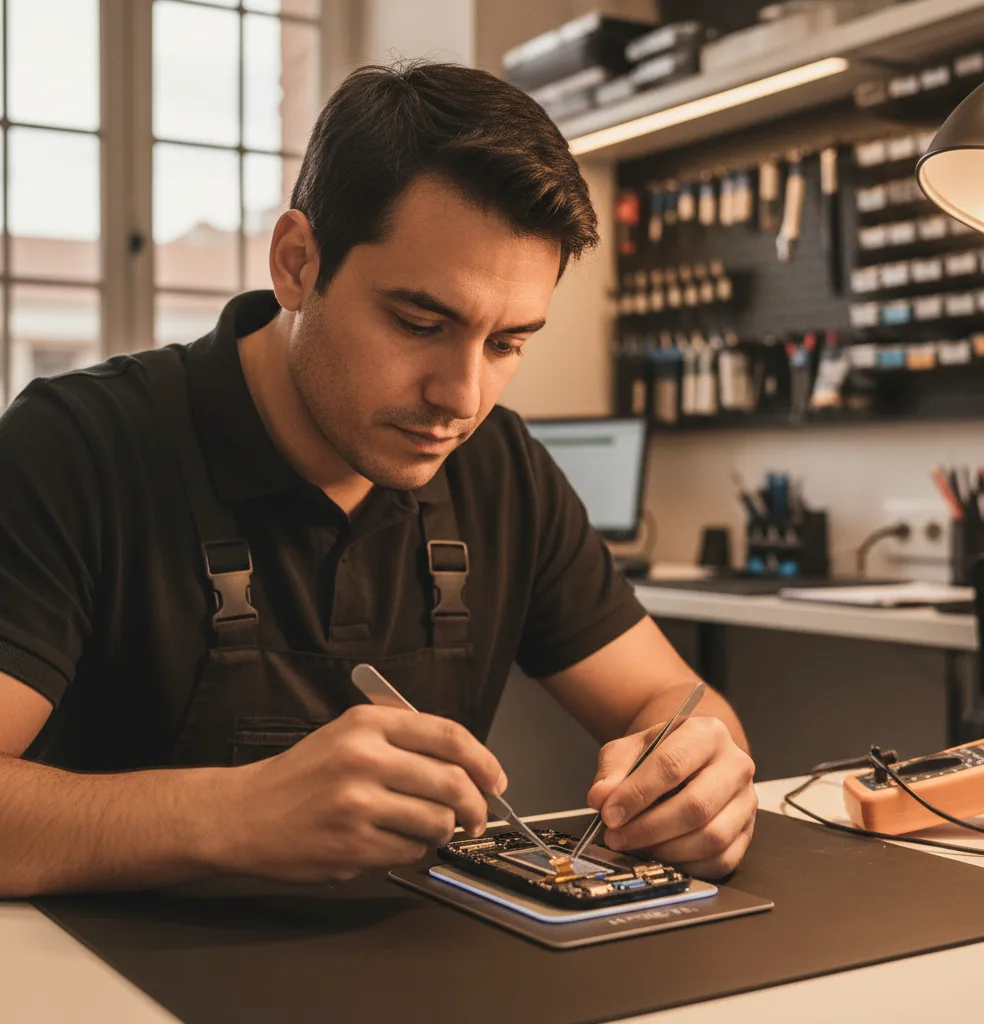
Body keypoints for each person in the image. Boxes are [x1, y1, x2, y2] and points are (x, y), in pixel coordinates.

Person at [0, 62, 755, 897]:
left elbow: (671, 695)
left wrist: (699, 769)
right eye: (419, 323)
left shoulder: (501, 469)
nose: (460, 399)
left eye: (506, 344)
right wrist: (233, 811)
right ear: (296, 263)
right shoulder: (75, 448)